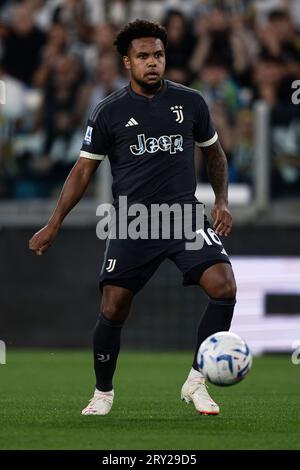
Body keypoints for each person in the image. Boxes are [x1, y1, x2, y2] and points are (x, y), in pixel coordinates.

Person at [29, 19, 237, 417]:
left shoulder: (191, 102)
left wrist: (221, 200)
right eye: (143, 56)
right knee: (113, 308)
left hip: (182, 217)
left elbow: (214, 152)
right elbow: (83, 171)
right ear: (127, 62)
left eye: (158, 55)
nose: (153, 63)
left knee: (224, 287)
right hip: (133, 221)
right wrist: (53, 223)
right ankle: (102, 392)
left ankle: (197, 381)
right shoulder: (109, 111)